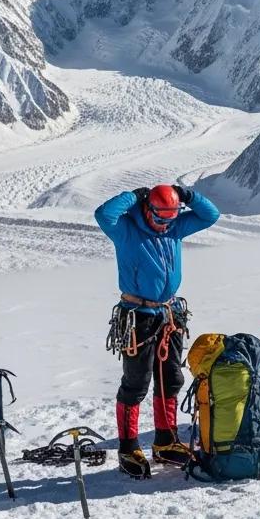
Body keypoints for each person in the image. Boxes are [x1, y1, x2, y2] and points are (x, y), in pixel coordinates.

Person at [95, 182, 220, 478]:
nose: (165, 225)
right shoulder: (127, 229)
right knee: (136, 383)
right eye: (161, 218)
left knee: (170, 378)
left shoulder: (175, 227)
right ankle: (128, 447)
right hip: (137, 315)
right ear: (147, 209)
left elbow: (210, 215)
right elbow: (103, 215)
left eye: (172, 218)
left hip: (169, 313)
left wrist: (188, 195)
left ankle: (165, 440)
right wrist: (134, 197)